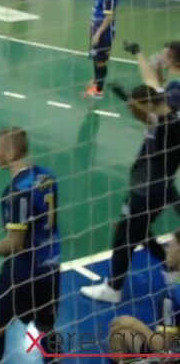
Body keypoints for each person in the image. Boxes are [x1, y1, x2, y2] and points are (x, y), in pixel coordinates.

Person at [0, 127, 61, 364]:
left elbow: (15, 244)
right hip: (50, 268)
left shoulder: (15, 192)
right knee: (46, 324)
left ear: (10, 152)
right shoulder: (47, 176)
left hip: (22, 273)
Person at [81, 84, 180, 304]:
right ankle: (169, 267)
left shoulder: (167, 127)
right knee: (140, 231)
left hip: (147, 193)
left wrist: (131, 101)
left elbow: (146, 116)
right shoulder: (166, 117)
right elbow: (148, 110)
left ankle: (113, 288)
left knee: (123, 239)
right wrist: (128, 97)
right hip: (152, 190)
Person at [108, 229, 180, 355]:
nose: (167, 249)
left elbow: (163, 348)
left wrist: (135, 324)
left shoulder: (171, 296)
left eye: (170, 244)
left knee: (119, 334)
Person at [84, 0, 119, 99]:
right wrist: (91, 27)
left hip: (104, 33)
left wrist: (98, 33)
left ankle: (98, 90)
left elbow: (109, 17)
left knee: (101, 61)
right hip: (97, 29)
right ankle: (96, 82)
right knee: (96, 57)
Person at [127, 41, 180, 112]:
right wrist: (157, 69)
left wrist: (138, 53)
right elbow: (160, 87)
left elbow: (154, 88)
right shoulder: (173, 78)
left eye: (166, 56)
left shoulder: (175, 86)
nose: (160, 57)